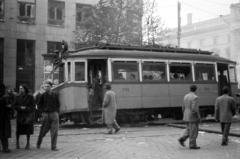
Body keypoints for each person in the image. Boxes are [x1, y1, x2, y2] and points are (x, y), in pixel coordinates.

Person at [36, 81, 60, 151]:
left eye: (48, 86)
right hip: (46, 115)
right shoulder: (42, 95)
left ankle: (53, 146)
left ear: (51, 87)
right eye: (45, 86)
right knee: (43, 131)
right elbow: (39, 105)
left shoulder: (55, 95)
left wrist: (57, 112)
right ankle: (38, 143)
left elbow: (58, 104)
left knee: (54, 131)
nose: (46, 88)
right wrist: (42, 113)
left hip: (54, 114)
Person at [178, 85, 201, 149]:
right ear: (196, 90)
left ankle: (182, 139)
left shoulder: (186, 96)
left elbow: (183, 107)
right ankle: (192, 145)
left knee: (189, 129)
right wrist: (198, 116)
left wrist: (184, 113)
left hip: (186, 114)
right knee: (193, 131)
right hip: (192, 116)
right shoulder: (195, 97)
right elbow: (194, 109)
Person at [13, 84, 35, 150]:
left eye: (22, 88)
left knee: (28, 129)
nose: (20, 89)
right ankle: (17, 143)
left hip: (28, 115)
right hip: (20, 115)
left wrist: (26, 108)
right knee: (18, 130)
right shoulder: (17, 96)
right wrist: (20, 107)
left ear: (25, 89)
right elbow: (15, 105)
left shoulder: (30, 96)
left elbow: (33, 106)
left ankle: (28, 143)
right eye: (20, 88)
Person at [0, 83, 12, 153]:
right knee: (4, 133)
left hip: (4, 117)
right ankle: (5, 148)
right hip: (4, 118)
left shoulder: (5, 97)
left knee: (4, 133)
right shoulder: (5, 97)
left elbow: (9, 107)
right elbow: (9, 107)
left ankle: (5, 147)